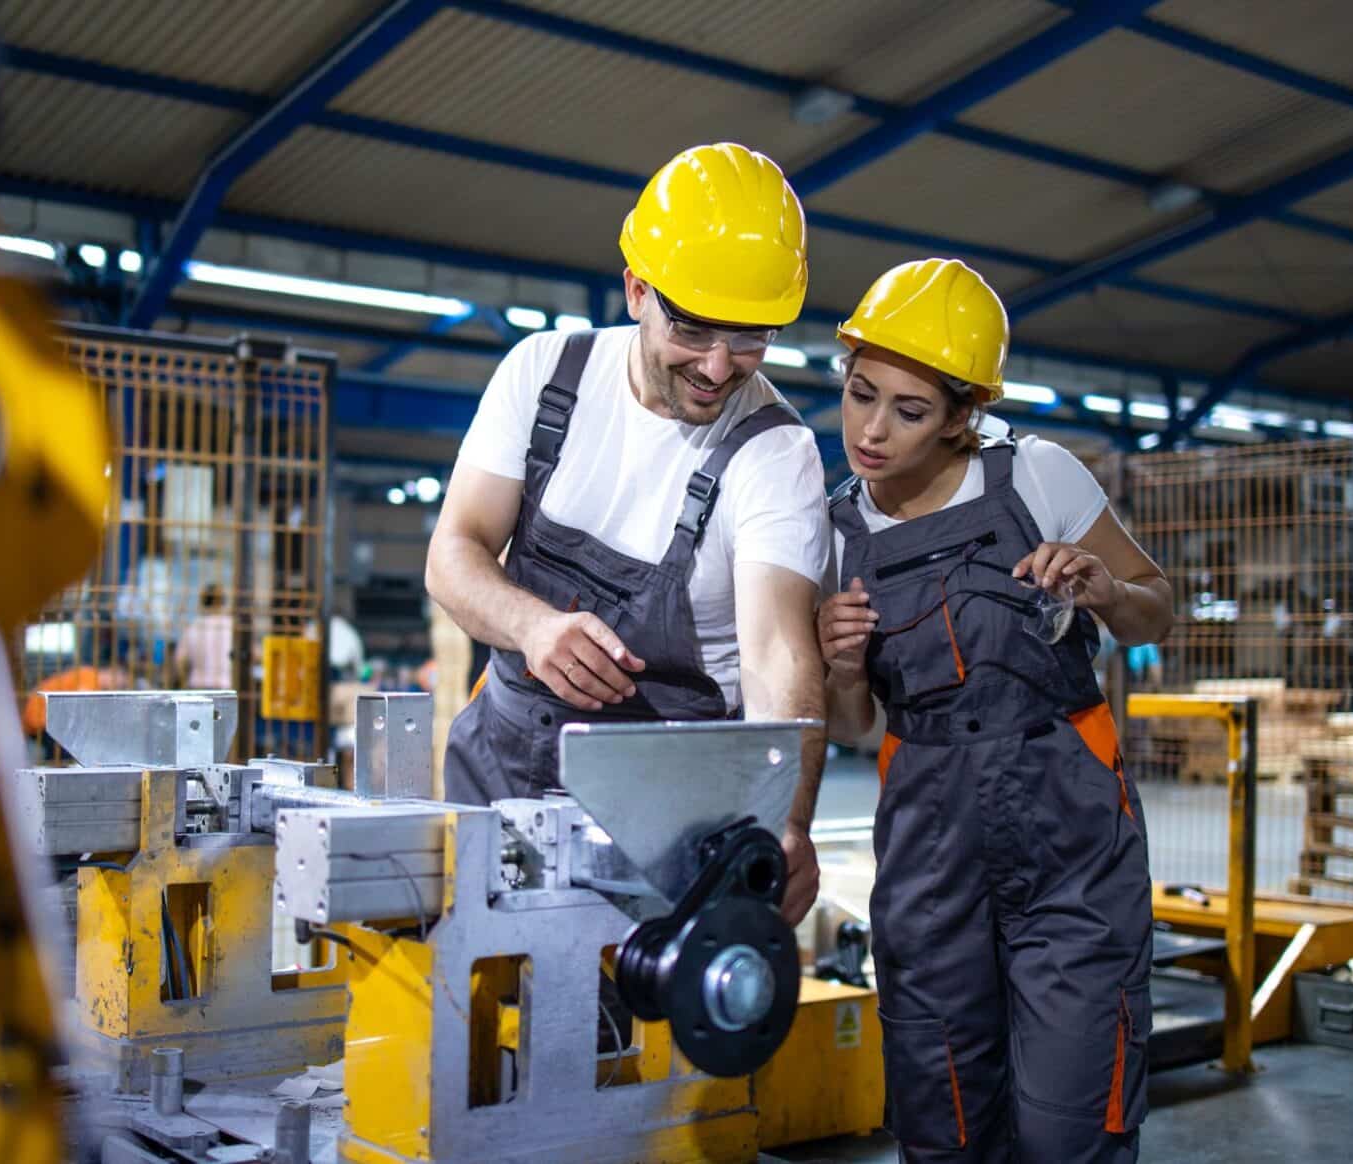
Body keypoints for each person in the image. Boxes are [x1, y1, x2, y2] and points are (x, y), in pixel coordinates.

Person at [815, 258, 1174, 1162]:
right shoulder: (833, 532)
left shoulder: (1035, 477)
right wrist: (843, 664)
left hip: (1070, 839)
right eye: (861, 395)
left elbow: (1154, 605)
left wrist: (1101, 589)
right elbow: (857, 727)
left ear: (965, 415)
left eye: (909, 410)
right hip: (930, 845)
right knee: (945, 1120)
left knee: (1072, 1124)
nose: (872, 429)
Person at [427, 142, 831, 924]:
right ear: (637, 288)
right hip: (499, 773)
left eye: (750, 338)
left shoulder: (776, 453)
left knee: (632, 1033)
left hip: (669, 816)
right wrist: (530, 625)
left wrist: (789, 817)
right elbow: (454, 552)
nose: (719, 367)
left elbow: (779, 649)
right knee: (465, 1018)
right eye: (693, 330)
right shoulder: (544, 373)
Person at [173, 583, 233, 690]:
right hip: (226, 686)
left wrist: (184, 683)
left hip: (198, 686)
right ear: (222, 601)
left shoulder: (193, 627)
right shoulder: (232, 627)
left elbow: (180, 660)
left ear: (202, 602)